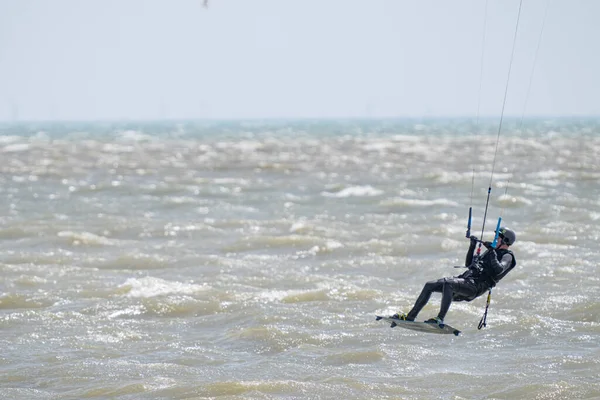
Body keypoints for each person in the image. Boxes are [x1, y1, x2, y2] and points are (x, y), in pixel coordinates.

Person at [393, 227, 517, 325]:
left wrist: (492, 251)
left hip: (476, 287)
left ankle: (439, 319)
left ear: (505, 241)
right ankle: (410, 317)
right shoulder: (490, 252)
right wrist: (472, 246)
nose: (495, 239)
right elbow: (469, 264)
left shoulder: (508, 256)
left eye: (498, 237)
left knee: (448, 283)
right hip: (466, 281)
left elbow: (499, 270)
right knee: (429, 285)